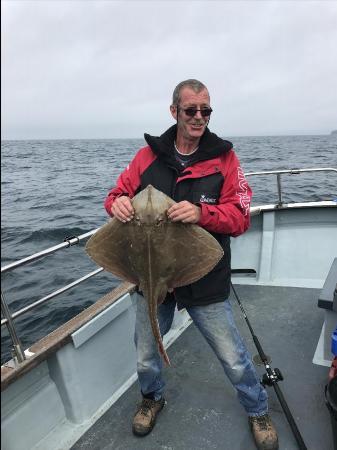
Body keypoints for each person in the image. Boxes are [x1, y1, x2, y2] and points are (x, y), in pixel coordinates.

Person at [104, 79, 278, 450]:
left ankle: (257, 408)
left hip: (204, 276)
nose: (199, 117)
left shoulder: (225, 158)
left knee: (232, 356)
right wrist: (116, 203)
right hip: (152, 276)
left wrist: (203, 213)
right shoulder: (145, 157)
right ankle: (152, 398)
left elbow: (241, 215)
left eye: (206, 110)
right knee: (145, 352)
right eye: (191, 110)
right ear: (174, 112)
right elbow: (117, 194)